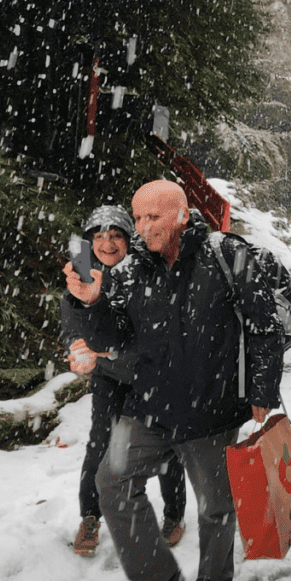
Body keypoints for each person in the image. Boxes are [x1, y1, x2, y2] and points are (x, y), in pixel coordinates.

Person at [62, 181, 285, 581]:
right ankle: (156, 580)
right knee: (111, 484)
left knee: (216, 509)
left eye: (154, 217)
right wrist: (91, 302)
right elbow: (112, 339)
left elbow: (264, 328)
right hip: (149, 408)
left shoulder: (226, 256)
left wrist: (262, 391)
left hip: (212, 411)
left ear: (182, 215)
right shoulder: (129, 271)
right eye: (139, 217)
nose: (143, 227)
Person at [59, 205, 187, 557]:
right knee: (100, 444)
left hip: (152, 375)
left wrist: (111, 351)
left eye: (116, 235)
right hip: (110, 380)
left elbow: (148, 330)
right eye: (98, 236)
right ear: (89, 242)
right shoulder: (83, 271)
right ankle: (90, 517)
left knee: (165, 448)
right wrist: (76, 345)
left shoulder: (148, 271)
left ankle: (174, 515)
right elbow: (70, 318)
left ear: (129, 239)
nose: (107, 243)